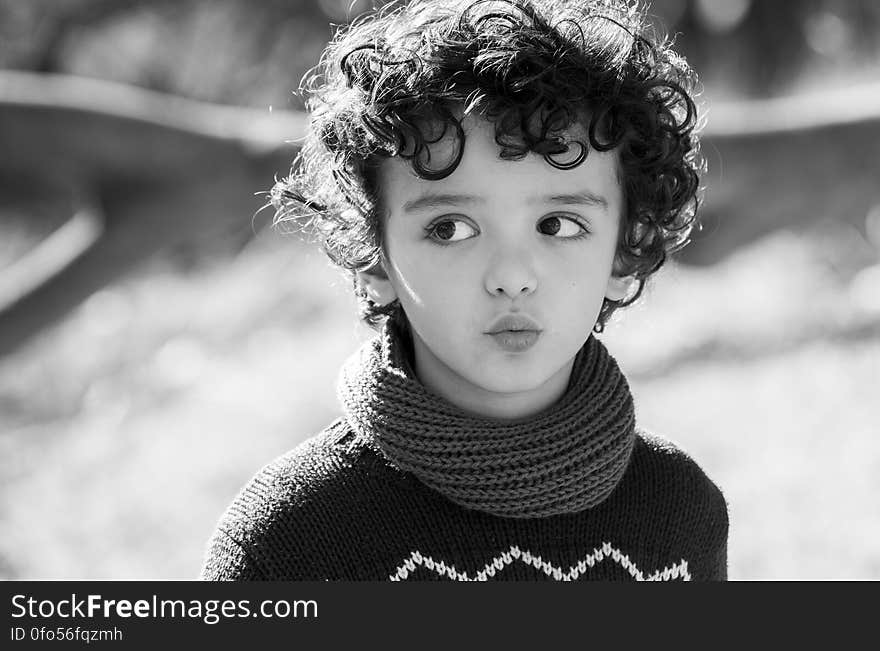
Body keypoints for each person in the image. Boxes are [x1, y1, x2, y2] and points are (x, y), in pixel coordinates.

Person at [200, 0, 729, 581]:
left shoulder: (681, 512)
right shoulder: (289, 541)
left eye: (558, 225)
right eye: (449, 229)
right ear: (375, 260)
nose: (511, 275)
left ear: (624, 252)